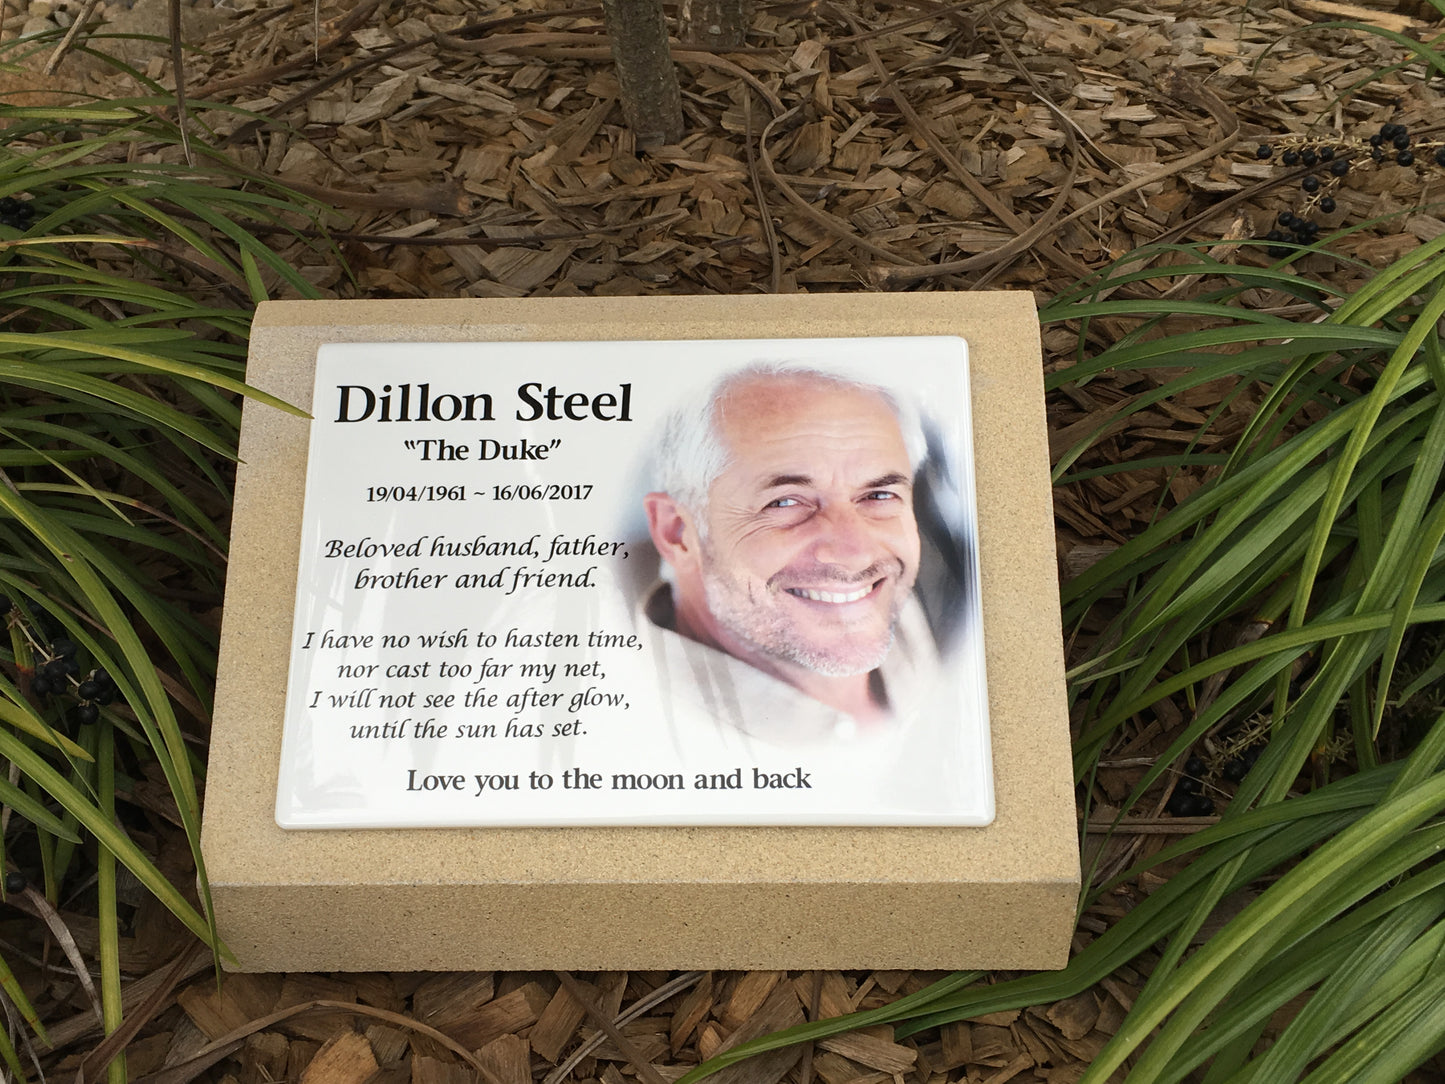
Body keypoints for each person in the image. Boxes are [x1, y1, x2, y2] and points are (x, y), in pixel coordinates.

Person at [641, 363, 939, 743]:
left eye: (879, 495)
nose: (855, 555)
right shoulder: (649, 728)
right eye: (784, 502)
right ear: (678, 532)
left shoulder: (943, 599)